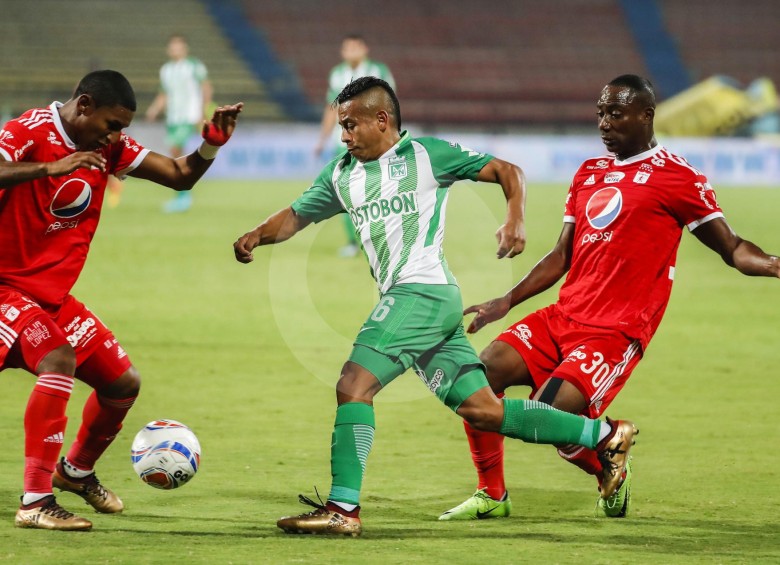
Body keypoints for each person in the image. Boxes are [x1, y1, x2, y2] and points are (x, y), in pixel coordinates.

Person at [233, 76, 637, 537]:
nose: (343, 135)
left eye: (350, 125)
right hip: (427, 306)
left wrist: (514, 220)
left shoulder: (426, 156)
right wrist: (257, 236)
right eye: (340, 126)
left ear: (381, 120)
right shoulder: (341, 174)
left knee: (353, 386)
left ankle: (342, 509)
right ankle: (604, 436)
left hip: (419, 294)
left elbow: (507, 171)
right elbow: (296, 214)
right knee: (483, 410)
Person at [439, 74, 780, 521]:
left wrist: (774, 263)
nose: (604, 123)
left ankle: (606, 455)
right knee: (479, 380)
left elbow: (733, 248)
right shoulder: (588, 173)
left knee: (548, 420)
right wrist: (506, 300)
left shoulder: (678, 178)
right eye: (601, 113)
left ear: (646, 115)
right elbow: (562, 254)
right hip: (562, 316)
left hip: (613, 332)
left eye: (616, 113)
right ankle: (493, 493)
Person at [0, 69, 241, 530]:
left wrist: (210, 144)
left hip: (50, 297)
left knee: (122, 384)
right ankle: (35, 501)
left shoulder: (105, 146)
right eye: (113, 125)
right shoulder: (28, 131)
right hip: (5, 288)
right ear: (84, 105)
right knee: (57, 358)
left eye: (123, 129)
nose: (117, 136)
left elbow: (178, 175)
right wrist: (51, 168)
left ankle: (75, 471)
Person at [314, 34, 396, 258]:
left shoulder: (378, 71)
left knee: (379, 191)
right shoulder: (337, 74)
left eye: (354, 48)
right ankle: (354, 241)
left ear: (364, 49)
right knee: (345, 193)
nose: (350, 52)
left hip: (374, 142)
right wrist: (322, 138)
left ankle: (383, 238)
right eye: (346, 49)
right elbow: (332, 107)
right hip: (343, 143)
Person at [145, 34, 213, 213]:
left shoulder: (194, 66)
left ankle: (184, 195)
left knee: (175, 148)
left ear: (185, 48)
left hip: (188, 115)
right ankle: (182, 191)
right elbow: (164, 94)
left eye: (178, 46)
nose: (175, 49)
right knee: (175, 154)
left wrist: (202, 112)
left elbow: (206, 88)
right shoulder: (166, 70)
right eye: (172, 46)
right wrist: (154, 109)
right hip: (173, 117)